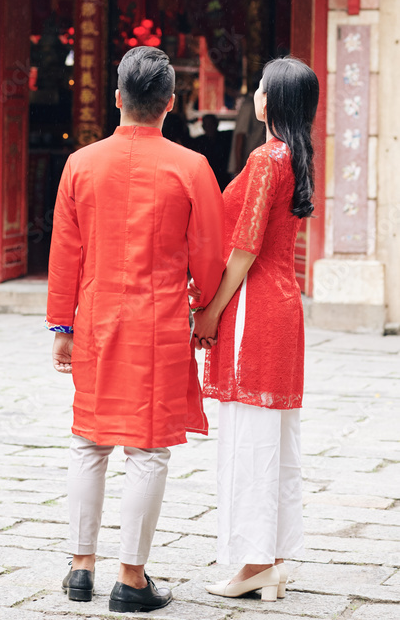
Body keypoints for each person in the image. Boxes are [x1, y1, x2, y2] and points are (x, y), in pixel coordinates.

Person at [47, 45, 225, 613]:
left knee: (90, 442)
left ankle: (80, 569)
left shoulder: (80, 164)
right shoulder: (191, 167)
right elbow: (210, 258)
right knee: (147, 451)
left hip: (97, 318)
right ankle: (131, 578)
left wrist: (62, 326)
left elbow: (64, 254)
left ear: (118, 98)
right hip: (159, 321)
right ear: (170, 104)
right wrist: (206, 314)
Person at [193, 56, 319, 603]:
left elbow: (243, 249)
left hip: (253, 308)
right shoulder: (298, 157)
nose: (256, 94)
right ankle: (269, 558)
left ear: (273, 100)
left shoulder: (268, 159)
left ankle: (253, 563)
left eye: (261, 88)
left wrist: (213, 310)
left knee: (248, 439)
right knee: (275, 439)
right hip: (284, 305)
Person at [227, 73, 266, 178]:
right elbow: (240, 136)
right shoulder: (249, 105)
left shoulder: (258, 106)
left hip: (253, 165)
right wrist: (239, 169)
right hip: (244, 166)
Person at [193, 113, 231, 191]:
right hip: (205, 177)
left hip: (223, 176)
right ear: (203, 127)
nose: (209, 127)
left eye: (211, 124)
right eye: (206, 125)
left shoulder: (226, 138)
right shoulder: (198, 141)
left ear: (216, 124)